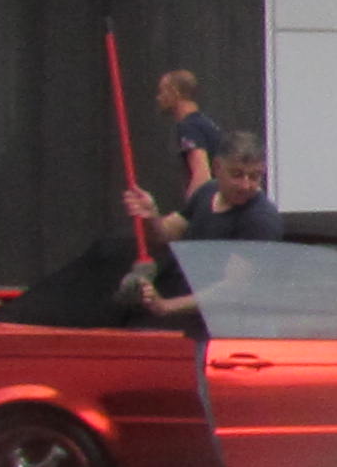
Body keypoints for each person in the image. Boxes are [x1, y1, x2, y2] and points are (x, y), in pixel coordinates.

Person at [113, 133, 283, 324]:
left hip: (225, 326)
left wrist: (166, 306)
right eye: (237, 174)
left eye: (254, 176)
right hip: (186, 316)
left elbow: (235, 289)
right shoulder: (207, 192)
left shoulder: (260, 220)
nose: (246, 185)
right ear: (217, 167)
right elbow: (164, 234)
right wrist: (150, 216)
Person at [152, 66, 221, 196]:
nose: (158, 98)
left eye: (162, 92)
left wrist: (189, 213)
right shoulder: (205, 123)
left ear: (175, 92)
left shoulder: (189, 127)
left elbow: (202, 175)